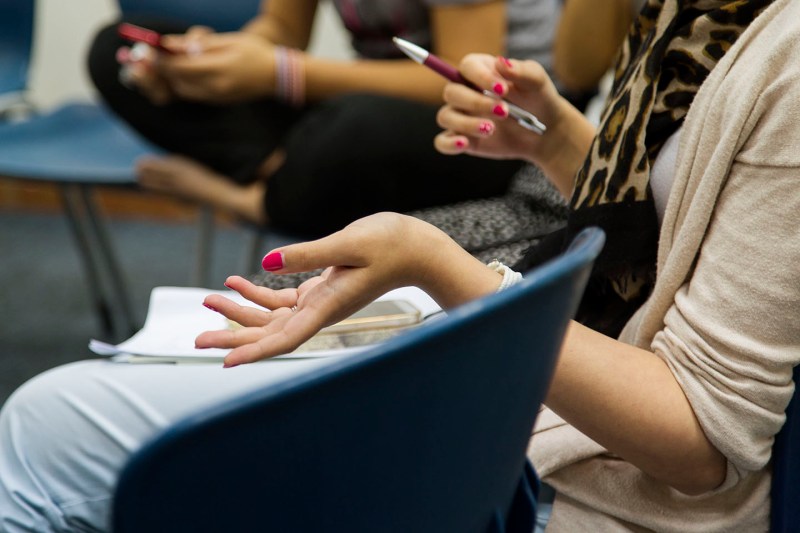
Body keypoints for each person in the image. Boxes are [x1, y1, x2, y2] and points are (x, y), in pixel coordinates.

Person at [2, 0, 798, 530]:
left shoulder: (782, 60)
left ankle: (258, 195)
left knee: (42, 426)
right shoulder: (697, 19)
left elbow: (706, 443)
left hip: (581, 466)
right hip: (564, 367)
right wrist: (552, 136)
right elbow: (684, 220)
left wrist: (439, 269)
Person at [88, 0, 559, 237]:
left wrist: (283, 73)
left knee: (354, 129)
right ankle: (288, 179)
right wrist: (208, 60)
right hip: (374, 102)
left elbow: (465, 77)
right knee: (121, 53)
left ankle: (251, 201)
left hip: (503, 123)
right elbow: (280, 32)